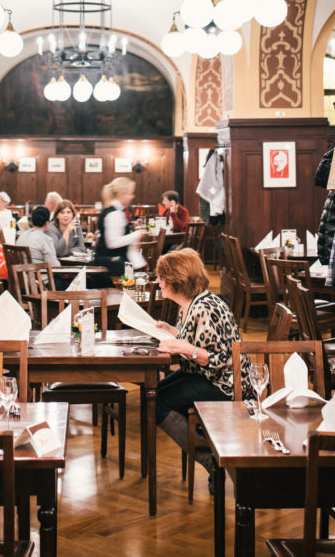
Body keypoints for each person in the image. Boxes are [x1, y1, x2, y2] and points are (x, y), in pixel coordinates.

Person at [154, 248, 252, 469]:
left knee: (156, 403)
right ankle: (208, 442)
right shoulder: (189, 302)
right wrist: (172, 331)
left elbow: (218, 360)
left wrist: (185, 349)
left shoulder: (205, 307)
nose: (158, 282)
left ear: (177, 280)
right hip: (203, 375)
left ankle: (211, 459)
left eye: (161, 277)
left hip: (226, 383)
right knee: (152, 395)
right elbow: (195, 338)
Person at [93, 177, 145, 276]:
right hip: (112, 266)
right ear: (122, 195)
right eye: (130, 193)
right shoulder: (115, 213)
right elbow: (112, 242)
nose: (132, 196)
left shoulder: (113, 210)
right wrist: (137, 234)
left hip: (111, 263)